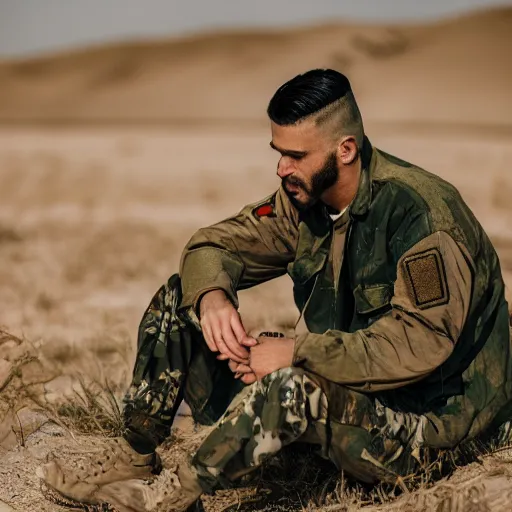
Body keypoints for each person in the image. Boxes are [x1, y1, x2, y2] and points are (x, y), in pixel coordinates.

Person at [39, 69, 512, 512]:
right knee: (181, 299)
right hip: (349, 392)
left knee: (290, 386)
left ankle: (170, 496)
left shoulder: (420, 217)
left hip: (430, 428)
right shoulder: (306, 200)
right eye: (278, 152)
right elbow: (212, 245)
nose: (282, 169)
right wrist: (213, 299)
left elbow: (418, 345)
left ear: (345, 150)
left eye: (296, 156)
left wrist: (295, 353)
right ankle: (135, 454)